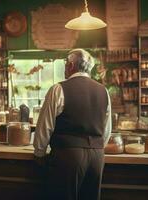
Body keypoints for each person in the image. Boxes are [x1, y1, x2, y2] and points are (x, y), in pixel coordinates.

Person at [33, 48, 112, 200]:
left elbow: (45, 125)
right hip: (97, 157)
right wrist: (95, 147)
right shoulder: (104, 91)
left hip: (68, 156)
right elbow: (106, 130)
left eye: (65, 64)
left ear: (70, 65)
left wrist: (39, 153)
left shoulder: (58, 89)